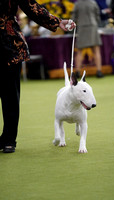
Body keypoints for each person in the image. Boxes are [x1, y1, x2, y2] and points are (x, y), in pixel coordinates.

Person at [0, 0, 76, 153]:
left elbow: (31, 7)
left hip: (8, 45)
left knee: (9, 96)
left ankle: (8, 139)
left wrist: (58, 22)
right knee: (10, 95)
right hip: (9, 44)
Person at [72, 0, 104, 78]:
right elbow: (97, 16)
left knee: (79, 51)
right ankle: (99, 71)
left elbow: (73, 18)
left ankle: (77, 72)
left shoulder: (77, 4)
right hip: (93, 27)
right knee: (96, 50)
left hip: (82, 28)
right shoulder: (93, 3)